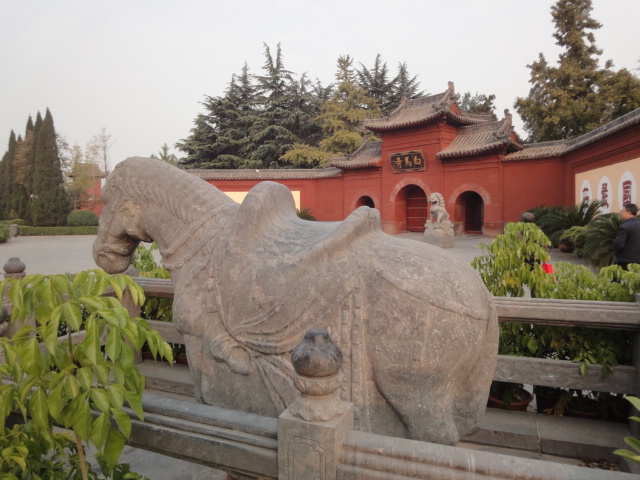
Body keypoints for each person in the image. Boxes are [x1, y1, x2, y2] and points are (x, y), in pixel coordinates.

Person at [612, 203, 640, 270]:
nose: (621, 213)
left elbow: (619, 244)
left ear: (629, 212)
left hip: (625, 260)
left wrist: (615, 250)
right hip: (638, 260)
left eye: (622, 211)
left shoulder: (625, 226)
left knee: (619, 278)